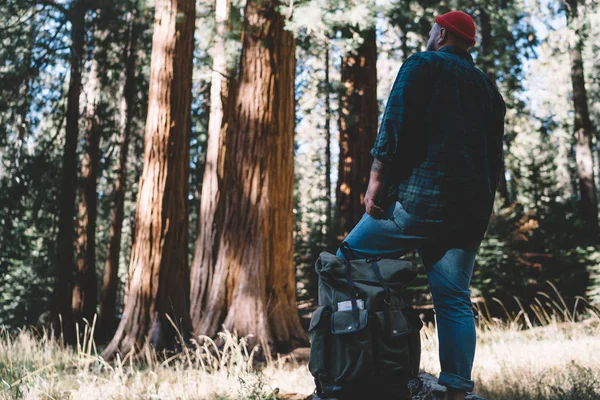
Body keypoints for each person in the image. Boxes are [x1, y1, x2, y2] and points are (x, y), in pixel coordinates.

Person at [336, 11, 506, 400]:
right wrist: (486, 203)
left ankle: (359, 365)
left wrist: (376, 180)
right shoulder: (488, 88)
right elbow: (494, 157)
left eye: (433, 28)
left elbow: (394, 124)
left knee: (343, 262)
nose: (430, 33)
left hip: (414, 203)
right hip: (467, 214)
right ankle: (457, 391)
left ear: (442, 33)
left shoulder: (422, 64)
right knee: (454, 300)